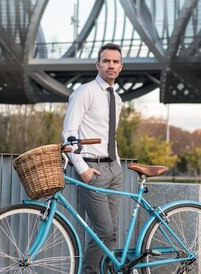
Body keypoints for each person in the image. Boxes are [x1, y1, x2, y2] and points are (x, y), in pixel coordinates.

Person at [62, 43, 123, 274]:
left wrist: (117, 162)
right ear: (98, 64)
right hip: (92, 171)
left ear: (121, 66)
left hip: (113, 170)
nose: (111, 65)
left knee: (110, 233)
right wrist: (81, 167)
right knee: (104, 231)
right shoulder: (85, 92)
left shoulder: (117, 99)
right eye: (106, 61)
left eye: (115, 61)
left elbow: (110, 134)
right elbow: (69, 132)